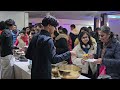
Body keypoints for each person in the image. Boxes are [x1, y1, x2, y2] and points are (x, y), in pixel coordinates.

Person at [25, 15, 76, 79]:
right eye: (54, 27)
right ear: (49, 26)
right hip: (44, 74)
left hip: (34, 72)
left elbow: (28, 55)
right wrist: (69, 53)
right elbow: (54, 59)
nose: (55, 29)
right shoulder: (48, 40)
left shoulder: (35, 37)